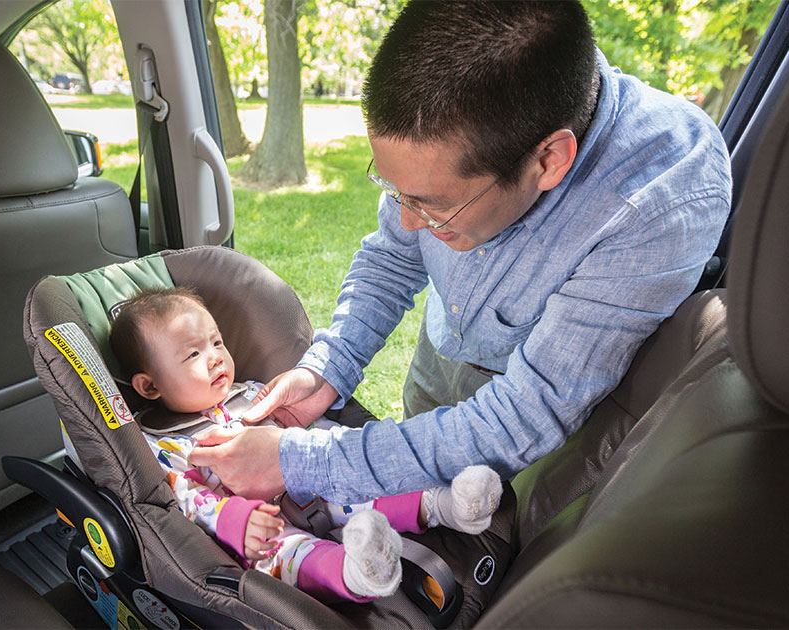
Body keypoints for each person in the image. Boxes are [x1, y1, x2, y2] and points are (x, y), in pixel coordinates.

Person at [188, 1, 732, 506]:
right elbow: (392, 258)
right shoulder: (453, 138)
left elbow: (524, 417)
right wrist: (330, 366)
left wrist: (300, 463)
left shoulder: (662, 199)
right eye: (393, 189)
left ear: (549, 161)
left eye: (431, 205)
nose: (406, 222)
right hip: (443, 346)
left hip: (551, 418)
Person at [109, 287, 502, 603]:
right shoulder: (166, 444)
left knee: (360, 485)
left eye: (216, 342)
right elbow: (189, 500)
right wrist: (235, 520)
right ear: (150, 385)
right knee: (286, 557)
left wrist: (333, 448)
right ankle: (355, 572)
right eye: (194, 353)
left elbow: (310, 434)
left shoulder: (254, 394)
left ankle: (443, 504)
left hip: (309, 484)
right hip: (260, 529)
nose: (215, 358)